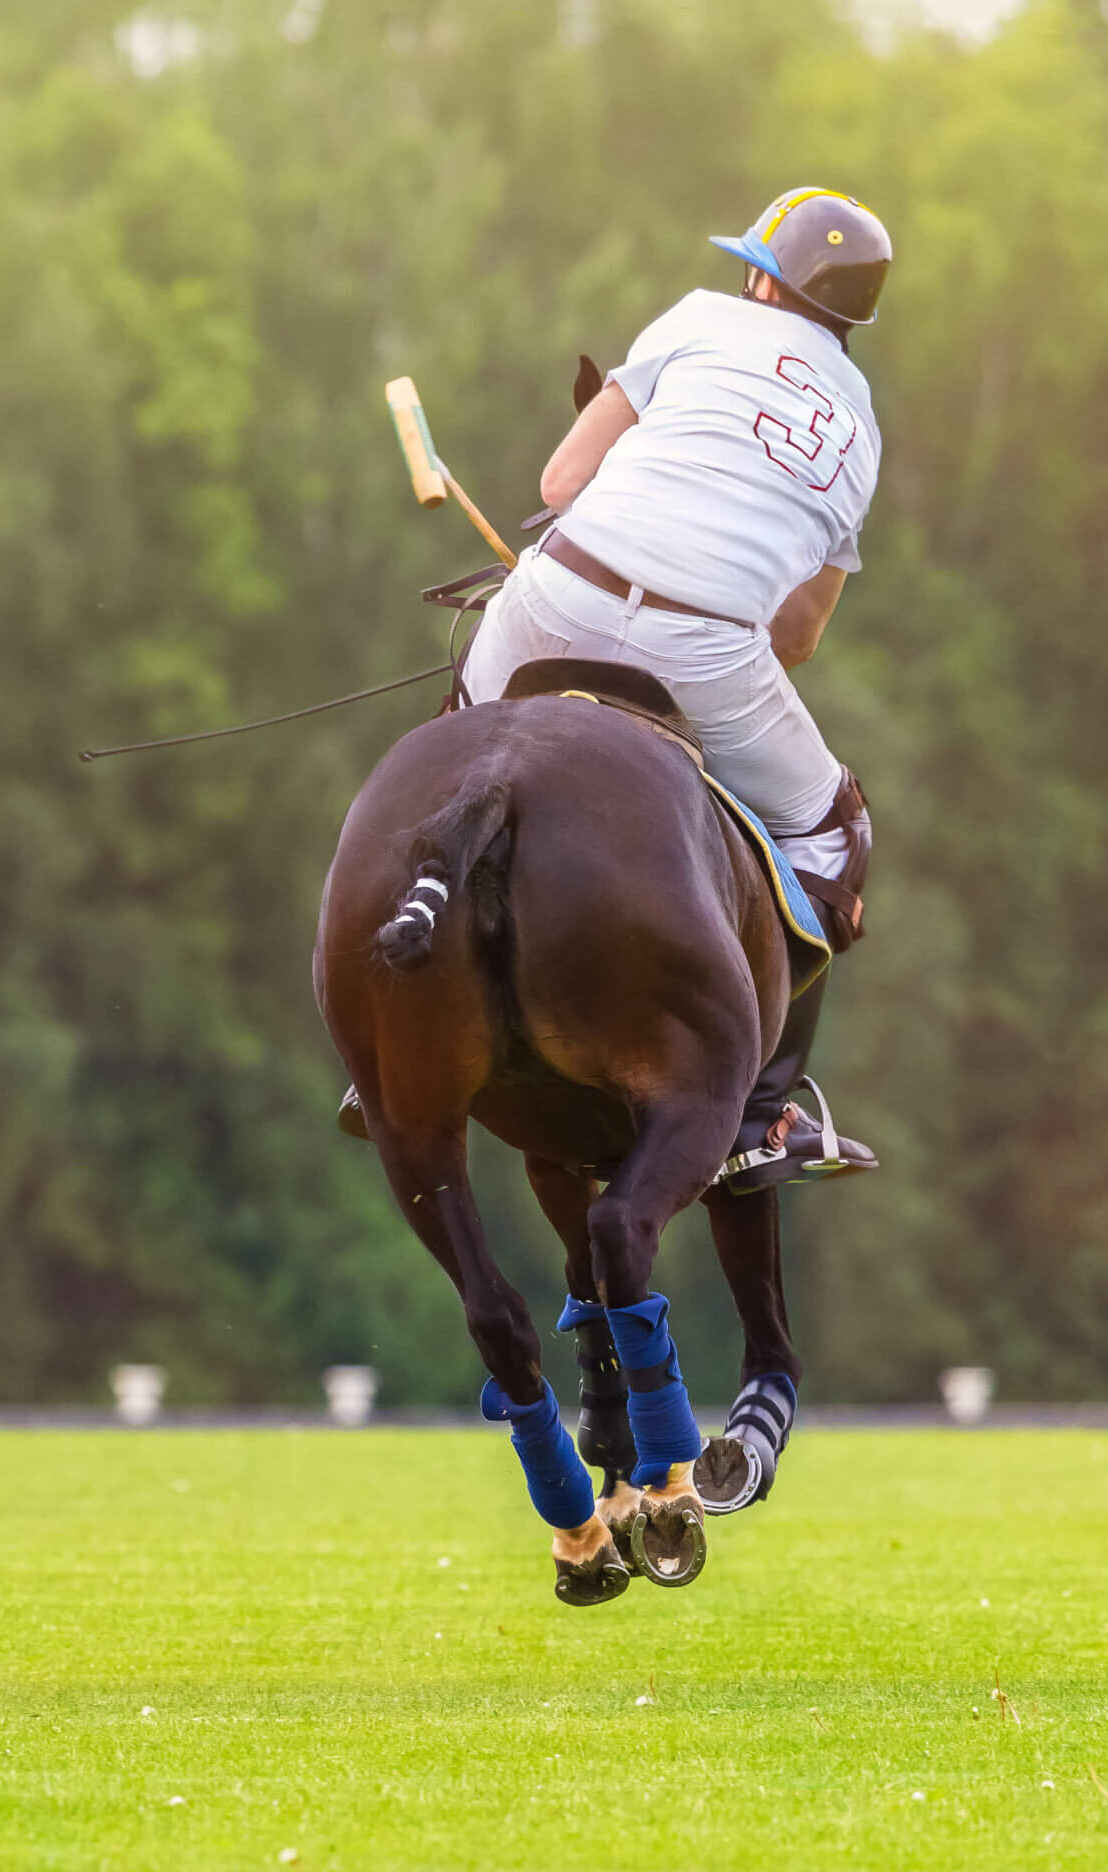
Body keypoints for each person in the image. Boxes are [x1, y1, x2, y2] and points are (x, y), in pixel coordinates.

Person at [344, 186, 889, 1190]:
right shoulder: (859, 435)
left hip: (555, 595)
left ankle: (390, 1020)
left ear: (764, 277)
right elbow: (800, 635)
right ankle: (763, 1116)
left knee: (459, 743)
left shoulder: (694, 318)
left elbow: (560, 488)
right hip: (710, 650)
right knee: (829, 833)